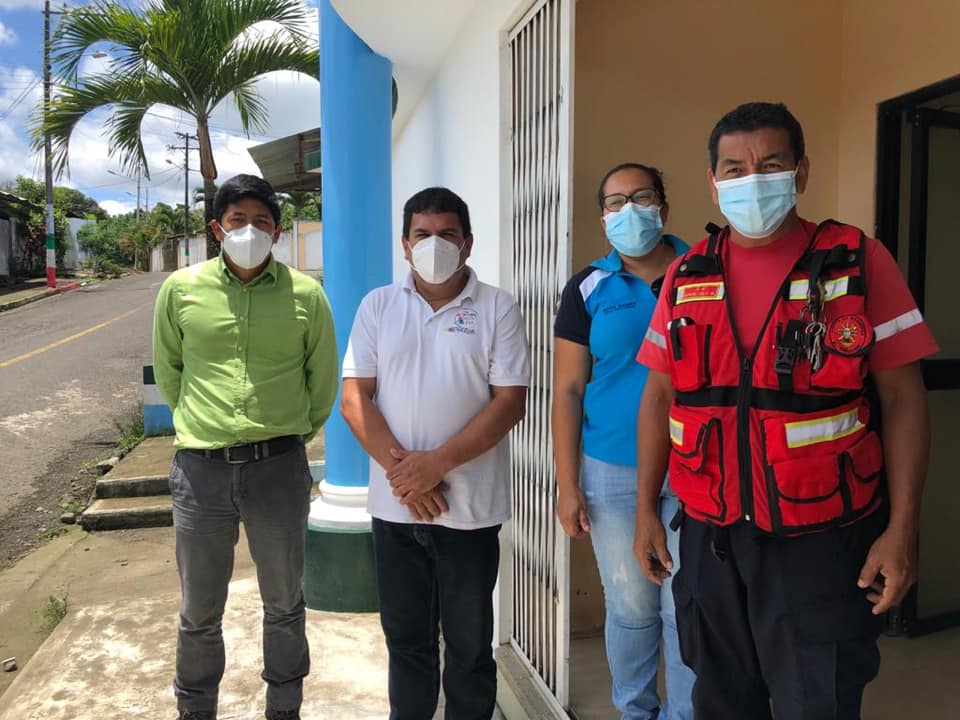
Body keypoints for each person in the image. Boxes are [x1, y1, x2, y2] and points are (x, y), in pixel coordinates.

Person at [633, 102, 938, 719]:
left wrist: (902, 529)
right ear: (713, 182)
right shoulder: (687, 273)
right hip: (712, 536)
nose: (753, 180)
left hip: (821, 542)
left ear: (800, 172)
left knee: (817, 702)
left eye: (770, 165)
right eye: (735, 169)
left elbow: (904, 399)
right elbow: (660, 396)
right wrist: (644, 510)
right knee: (721, 702)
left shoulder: (858, 261)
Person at [340, 186, 530, 720]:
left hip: (470, 511)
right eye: (422, 234)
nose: (434, 244)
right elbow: (355, 400)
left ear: (467, 242)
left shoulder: (498, 306)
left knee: (469, 649)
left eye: (447, 234)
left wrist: (436, 466)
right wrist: (407, 477)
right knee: (407, 643)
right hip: (395, 509)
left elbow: (510, 402)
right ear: (405, 245)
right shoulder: (378, 305)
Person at [153, 174, 338, 720]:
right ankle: (196, 710)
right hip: (200, 471)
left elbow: (322, 383)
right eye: (238, 220)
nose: (250, 230)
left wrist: (287, 435)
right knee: (198, 609)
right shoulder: (180, 290)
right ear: (218, 228)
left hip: (278, 469)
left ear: (278, 232)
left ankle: (284, 708)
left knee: (284, 603)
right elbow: (170, 372)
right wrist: (202, 424)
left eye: (262, 221)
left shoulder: (306, 296)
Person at [552, 163, 694, 720]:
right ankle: (635, 711)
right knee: (632, 607)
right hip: (611, 468)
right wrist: (568, 484)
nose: (629, 210)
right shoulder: (588, 287)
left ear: (664, 206)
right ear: (602, 217)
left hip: (695, 465)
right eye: (615, 202)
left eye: (641, 197)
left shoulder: (703, 271)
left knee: (685, 607)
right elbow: (568, 390)